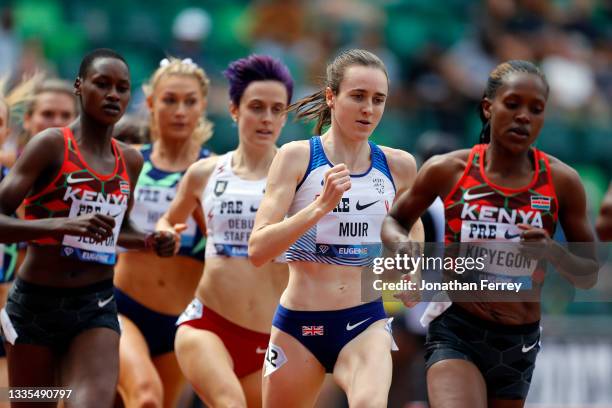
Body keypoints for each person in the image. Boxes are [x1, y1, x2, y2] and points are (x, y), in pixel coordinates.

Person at [382, 60, 598, 408]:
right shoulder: (448, 169)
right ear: (488, 107)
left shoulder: (563, 182)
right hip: (456, 328)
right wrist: (405, 250)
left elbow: (588, 273)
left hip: (518, 344)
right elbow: (394, 221)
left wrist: (551, 252)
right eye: (512, 105)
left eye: (536, 109)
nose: (524, 116)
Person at [0, 48, 175, 407]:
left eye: (122, 88)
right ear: (80, 87)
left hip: (94, 305)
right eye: (102, 84)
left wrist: (150, 240)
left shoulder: (129, 159)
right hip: (34, 307)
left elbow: (117, 228)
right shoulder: (50, 145)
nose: (113, 94)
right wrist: (64, 224)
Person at [248, 49, 423, 408]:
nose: (368, 109)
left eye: (378, 100)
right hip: (298, 325)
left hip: (365, 321)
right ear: (331, 97)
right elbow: (258, 250)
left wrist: (412, 266)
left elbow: (412, 223)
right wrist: (318, 208)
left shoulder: (399, 165)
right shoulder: (297, 157)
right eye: (358, 96)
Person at [158, 54, 292, 407]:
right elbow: (169, 220)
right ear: (234, 109)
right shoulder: (205, 173)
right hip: (207, 325)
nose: (266, 118)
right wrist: (167, 234)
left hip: (274, 338)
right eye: (256, 107)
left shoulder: (303, 180)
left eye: (276, 109)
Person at [113, 57, 213, 408]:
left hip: (181, 323)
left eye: (190, 101)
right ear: (152, 103)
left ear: (203, 106)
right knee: (145, 397)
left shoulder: (216, 173)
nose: (180, 111)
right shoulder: (126, 162)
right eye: (170, 100)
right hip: (121, 307)